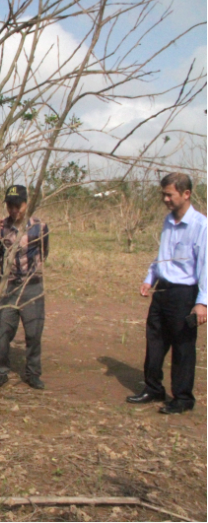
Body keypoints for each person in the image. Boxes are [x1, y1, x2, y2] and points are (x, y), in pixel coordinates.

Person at [126, 173, 206, 414]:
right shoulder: (167, 222)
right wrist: (150, 278)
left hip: (184, 293)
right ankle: (153, 388)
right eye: (163, 194)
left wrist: (202, 303)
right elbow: (163, 255)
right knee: (155, 341)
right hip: (162, 289)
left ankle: (182, 398)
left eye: (169, 194)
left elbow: (206, 267)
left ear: (186, 194)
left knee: (182, 346)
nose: (166, 199)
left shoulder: (201, 226)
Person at [0, 184, 49, 390]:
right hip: (9, 286)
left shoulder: (40, 226)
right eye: (9, 205)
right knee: (3, 331)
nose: (13, 210)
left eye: (17, 205)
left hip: (33, 286)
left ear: (26, 204)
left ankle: (33, 373)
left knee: (33, 332)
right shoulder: (0, 227)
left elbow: (44, 251)